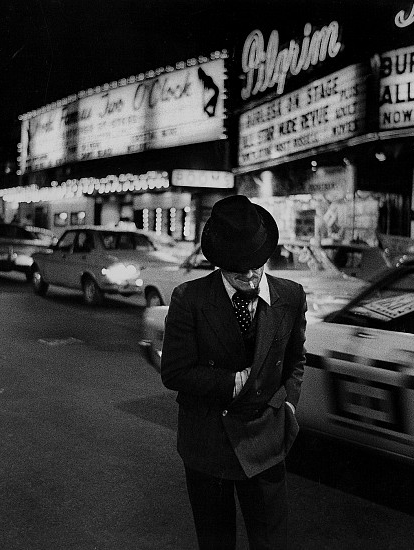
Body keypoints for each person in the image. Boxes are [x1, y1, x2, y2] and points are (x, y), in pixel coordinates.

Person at [161, 195, 307, 550]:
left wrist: (287, 405)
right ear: (219, 263)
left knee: (271, 540)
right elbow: (174, 372)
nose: (250, 274)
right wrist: (232, 382)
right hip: (208, 442)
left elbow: (295, 361)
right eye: (237, 267)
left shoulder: (290, 296)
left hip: (265, 438)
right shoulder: (189, 299)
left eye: (256, 262)